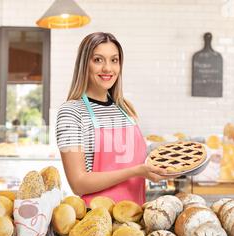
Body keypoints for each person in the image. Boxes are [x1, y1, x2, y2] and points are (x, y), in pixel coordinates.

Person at [56, 32, 168, 206]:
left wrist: (171, 161)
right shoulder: (71, 112)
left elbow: (139, 158)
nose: (108, 68)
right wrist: (136, 171)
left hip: (135, 218)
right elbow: (78, 183)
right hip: (97, 221)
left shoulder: (125, 108)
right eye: (98, 60)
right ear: (84, 64)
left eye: (114, 60)